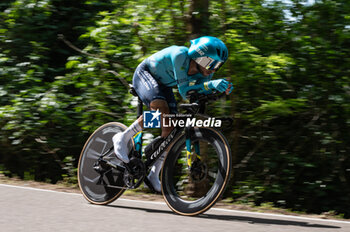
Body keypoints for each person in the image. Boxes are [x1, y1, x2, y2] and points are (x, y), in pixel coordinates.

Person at [112, 36, 233, 192]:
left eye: (218, 65)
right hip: (146, 73)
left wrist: (219, 91)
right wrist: (210, 85)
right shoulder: (180, 56)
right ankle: (123, 137)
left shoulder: (205, 73)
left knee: (171, 128)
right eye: (211, 63)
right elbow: (184, 92)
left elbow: (197, 95)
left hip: (163, 85)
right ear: (199, 56)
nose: (213, 69)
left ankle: (154, 174)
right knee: (161, 112)